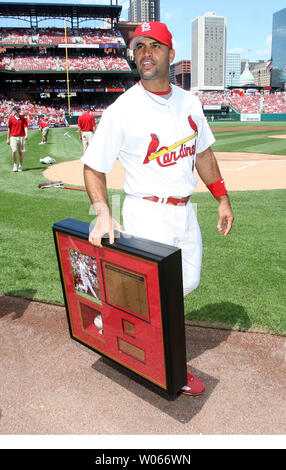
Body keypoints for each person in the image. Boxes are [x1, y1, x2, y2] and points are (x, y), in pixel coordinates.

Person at [81, 22, 234, 397]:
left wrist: (222, 197)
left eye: (154, 45)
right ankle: (169, 368)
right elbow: (93, 167)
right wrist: (102, 210)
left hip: (185, 211)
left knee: (187, 282)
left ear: (170, 52)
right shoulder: (123, 110)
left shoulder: (190, 102)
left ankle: (117, 317)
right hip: (146, 212)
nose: (145, 53)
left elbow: (202, 153)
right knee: (159, 295)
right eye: (138, 47)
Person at [7, 105, 28, 172]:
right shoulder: (11, 119)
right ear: (14, 111)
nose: (19, 111)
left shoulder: (23, 118)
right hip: (13, 137)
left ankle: (20, 166)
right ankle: (15, 164)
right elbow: (9, 129)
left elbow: (25, 127)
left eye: (19, 109)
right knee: (14, 151)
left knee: (21, 152)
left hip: (21, 137)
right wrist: (8, 138)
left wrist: (26, 134)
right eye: (17, 110)